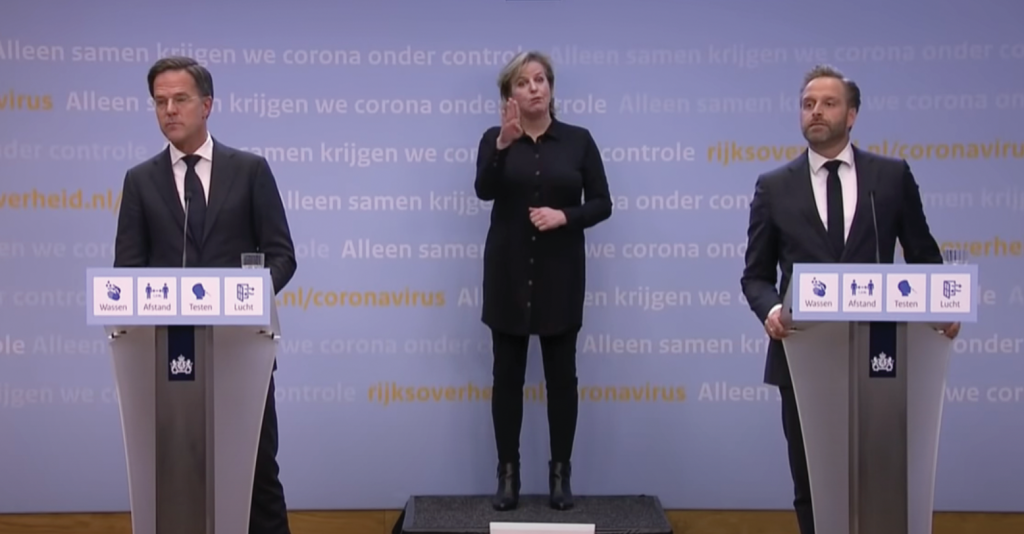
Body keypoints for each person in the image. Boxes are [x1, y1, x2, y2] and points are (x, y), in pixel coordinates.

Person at [739, 64, 960, 534]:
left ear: (852, 114)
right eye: (808, 104)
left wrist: (944, 307)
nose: (816, 111)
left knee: (877, 481)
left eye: (828, 103)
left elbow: (924, 256)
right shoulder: (774, 186)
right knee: (812, 482)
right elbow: (756, 276)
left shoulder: (891, 177)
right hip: (803, 355)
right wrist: (773, 310)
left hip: (878, 355)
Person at [113, 56, 297, 534]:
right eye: (160, 102)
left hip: (241, 354)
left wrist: (247, 297)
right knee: (178, 480)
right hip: (171, 361)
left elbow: (282, 256)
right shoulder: (140, 180)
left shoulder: (250, 170)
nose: (169, 110)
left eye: (180, 99)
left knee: (257, 477)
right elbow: (127, 272)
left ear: (207, 105)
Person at [473, 50, 613, 512]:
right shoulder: (494, 139)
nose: (534, 88)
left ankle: (560, 475)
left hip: (560, 275)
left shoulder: (578, 141)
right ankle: (507, 475)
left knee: (562, 379)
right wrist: (503, 145)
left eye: (540, 80)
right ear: (509, 96)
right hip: (508, 273)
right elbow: (484, 189)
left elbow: (602, 203)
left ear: (551, 88)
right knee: (506, 378)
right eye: (522, 82)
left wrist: (565, 216)